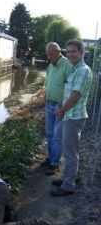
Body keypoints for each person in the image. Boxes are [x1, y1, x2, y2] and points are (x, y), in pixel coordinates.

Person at [50, 39, 93, 196]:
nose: (70, 54)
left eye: (73, 51)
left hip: (74, 117)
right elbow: (67, 91)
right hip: (67, 114)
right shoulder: (74, 69)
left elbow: (75, 96)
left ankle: (68, 186)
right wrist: (60, 106)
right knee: (66, 148)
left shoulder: (83, 70)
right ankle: (68, 177)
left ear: (81, 53)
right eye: (68, 52)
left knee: (70, 152)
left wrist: (62, 110)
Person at [42, 42, 72, 175]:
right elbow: (47, 84)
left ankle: (55, 164)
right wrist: (44, 97)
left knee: (57, 137)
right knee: (49, 134)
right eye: (48, 54)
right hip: (49, 104)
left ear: (59, 52)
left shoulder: (67, 65)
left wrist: (62, 105)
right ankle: (51, 158)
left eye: (51, 54)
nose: (49, 57)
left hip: (60, 106)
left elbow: (69, 88)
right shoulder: (50, 66)